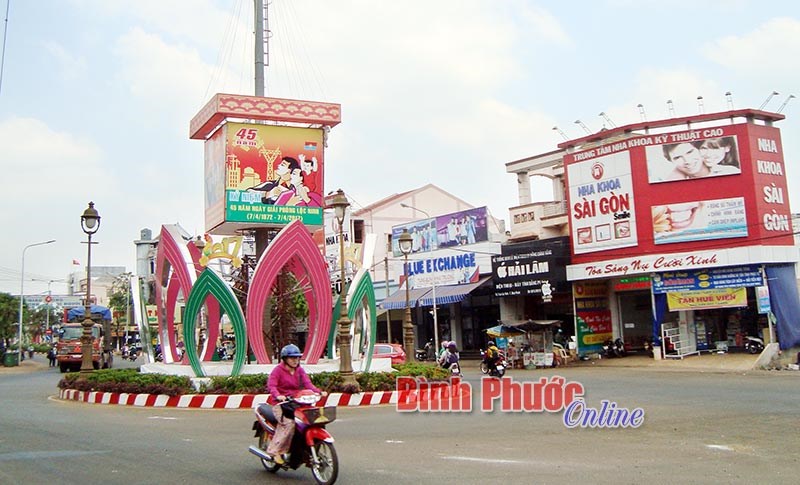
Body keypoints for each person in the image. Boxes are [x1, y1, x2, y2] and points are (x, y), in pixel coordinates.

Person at [266, 344, 327, 464]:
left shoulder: (299, 370)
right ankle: (275, 451)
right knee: (289, 424)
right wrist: (278, 395)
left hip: (297, 402)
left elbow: (308, 384)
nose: (295, 360)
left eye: (297, 358)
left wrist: (319, 392)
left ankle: (307, 452)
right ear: (285, 359)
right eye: (292, 358)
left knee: (313, 421)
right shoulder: (278, 370)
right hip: (282, 404)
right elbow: (271, 386)